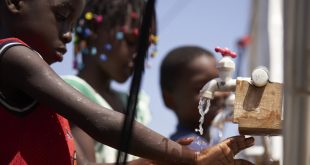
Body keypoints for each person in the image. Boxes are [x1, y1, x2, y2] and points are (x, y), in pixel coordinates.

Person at [0, 0, 255, 164]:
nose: (68, 34)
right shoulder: (10, 55)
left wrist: (165, 159)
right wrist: (191, 158)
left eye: (74, 24)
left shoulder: (44, 95)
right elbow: (102, 121)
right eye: (62, 15)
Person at [62, 0, 153, 163]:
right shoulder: (70, 92)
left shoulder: (135, 104)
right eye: (131, 42)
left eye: (145, 48)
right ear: (93, 29)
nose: (138, 55)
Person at [160, 46, 230, 151]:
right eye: (201, 88)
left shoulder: (208, 145)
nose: (218, 94)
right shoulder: (190, 150)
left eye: (220, 85)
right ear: (169, 99)